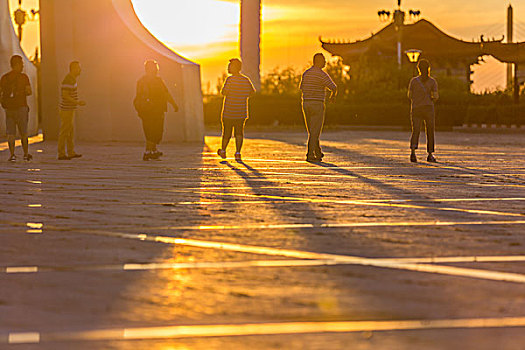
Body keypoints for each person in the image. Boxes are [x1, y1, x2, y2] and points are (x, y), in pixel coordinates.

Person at [134, 59, 178, 161]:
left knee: (152, 131)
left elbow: (165, 93)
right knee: (154, 131)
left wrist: (173, 104)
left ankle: (152, 151)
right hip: (153, 109)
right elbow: (166, 94)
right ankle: (148, 151)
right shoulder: (155, 81)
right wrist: (174, 104)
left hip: (147, 110)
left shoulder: (142, 81)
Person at [299, 53, 337, 162]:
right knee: (315, 130)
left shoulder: (306, 73)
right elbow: (334, 87)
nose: (325, 62)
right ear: (319, 61)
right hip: (317, 104)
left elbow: (301, 88)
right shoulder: (322, 74)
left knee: (312, 130)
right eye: (324, 60)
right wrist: (332, 96)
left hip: (306, 103)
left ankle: (318, 152)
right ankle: (310, 154)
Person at [217, 58, 256, 161]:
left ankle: (224, 150)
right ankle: (238, 152)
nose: (228, 68)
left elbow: (223, 92)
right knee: (239, 132)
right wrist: (243, 96)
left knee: (226, 132)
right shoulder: (245, 80)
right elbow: (252, 92)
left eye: (230, 66)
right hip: (241, 111)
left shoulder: (229, 80)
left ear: (235, 67)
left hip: (229, 111)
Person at [0, 55, 33, 162]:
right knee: (23, 132)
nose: (23, 66)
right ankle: (25, 153)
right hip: (21, 107)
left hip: (9, 109)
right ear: (17, 64)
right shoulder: (24, 77)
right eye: (21, 64)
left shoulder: (4, 78)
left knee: (11, 133)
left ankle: (12, 154)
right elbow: (29, 91)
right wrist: (21, 92)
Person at [408, 59, 439, 163]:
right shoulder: (432, 82)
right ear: (428, 68)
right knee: (430, 131)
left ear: (419, 69)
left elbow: (409, 95)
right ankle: (430, 154)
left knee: (416, 130)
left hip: (416, 108)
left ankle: (413, 152)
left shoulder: (413, 81)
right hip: (428, 108)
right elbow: (435, 97)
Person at [58, 61, 86, 160]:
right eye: (78, 68)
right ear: (73, 69)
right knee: (65, 131)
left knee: (70, 131)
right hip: (66, 110)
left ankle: (70, 152)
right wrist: (77, 102)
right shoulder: (68, 80)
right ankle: (61, 153)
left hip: (70, 109)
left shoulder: (72, 79)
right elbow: (65, 95)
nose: (80, 70)